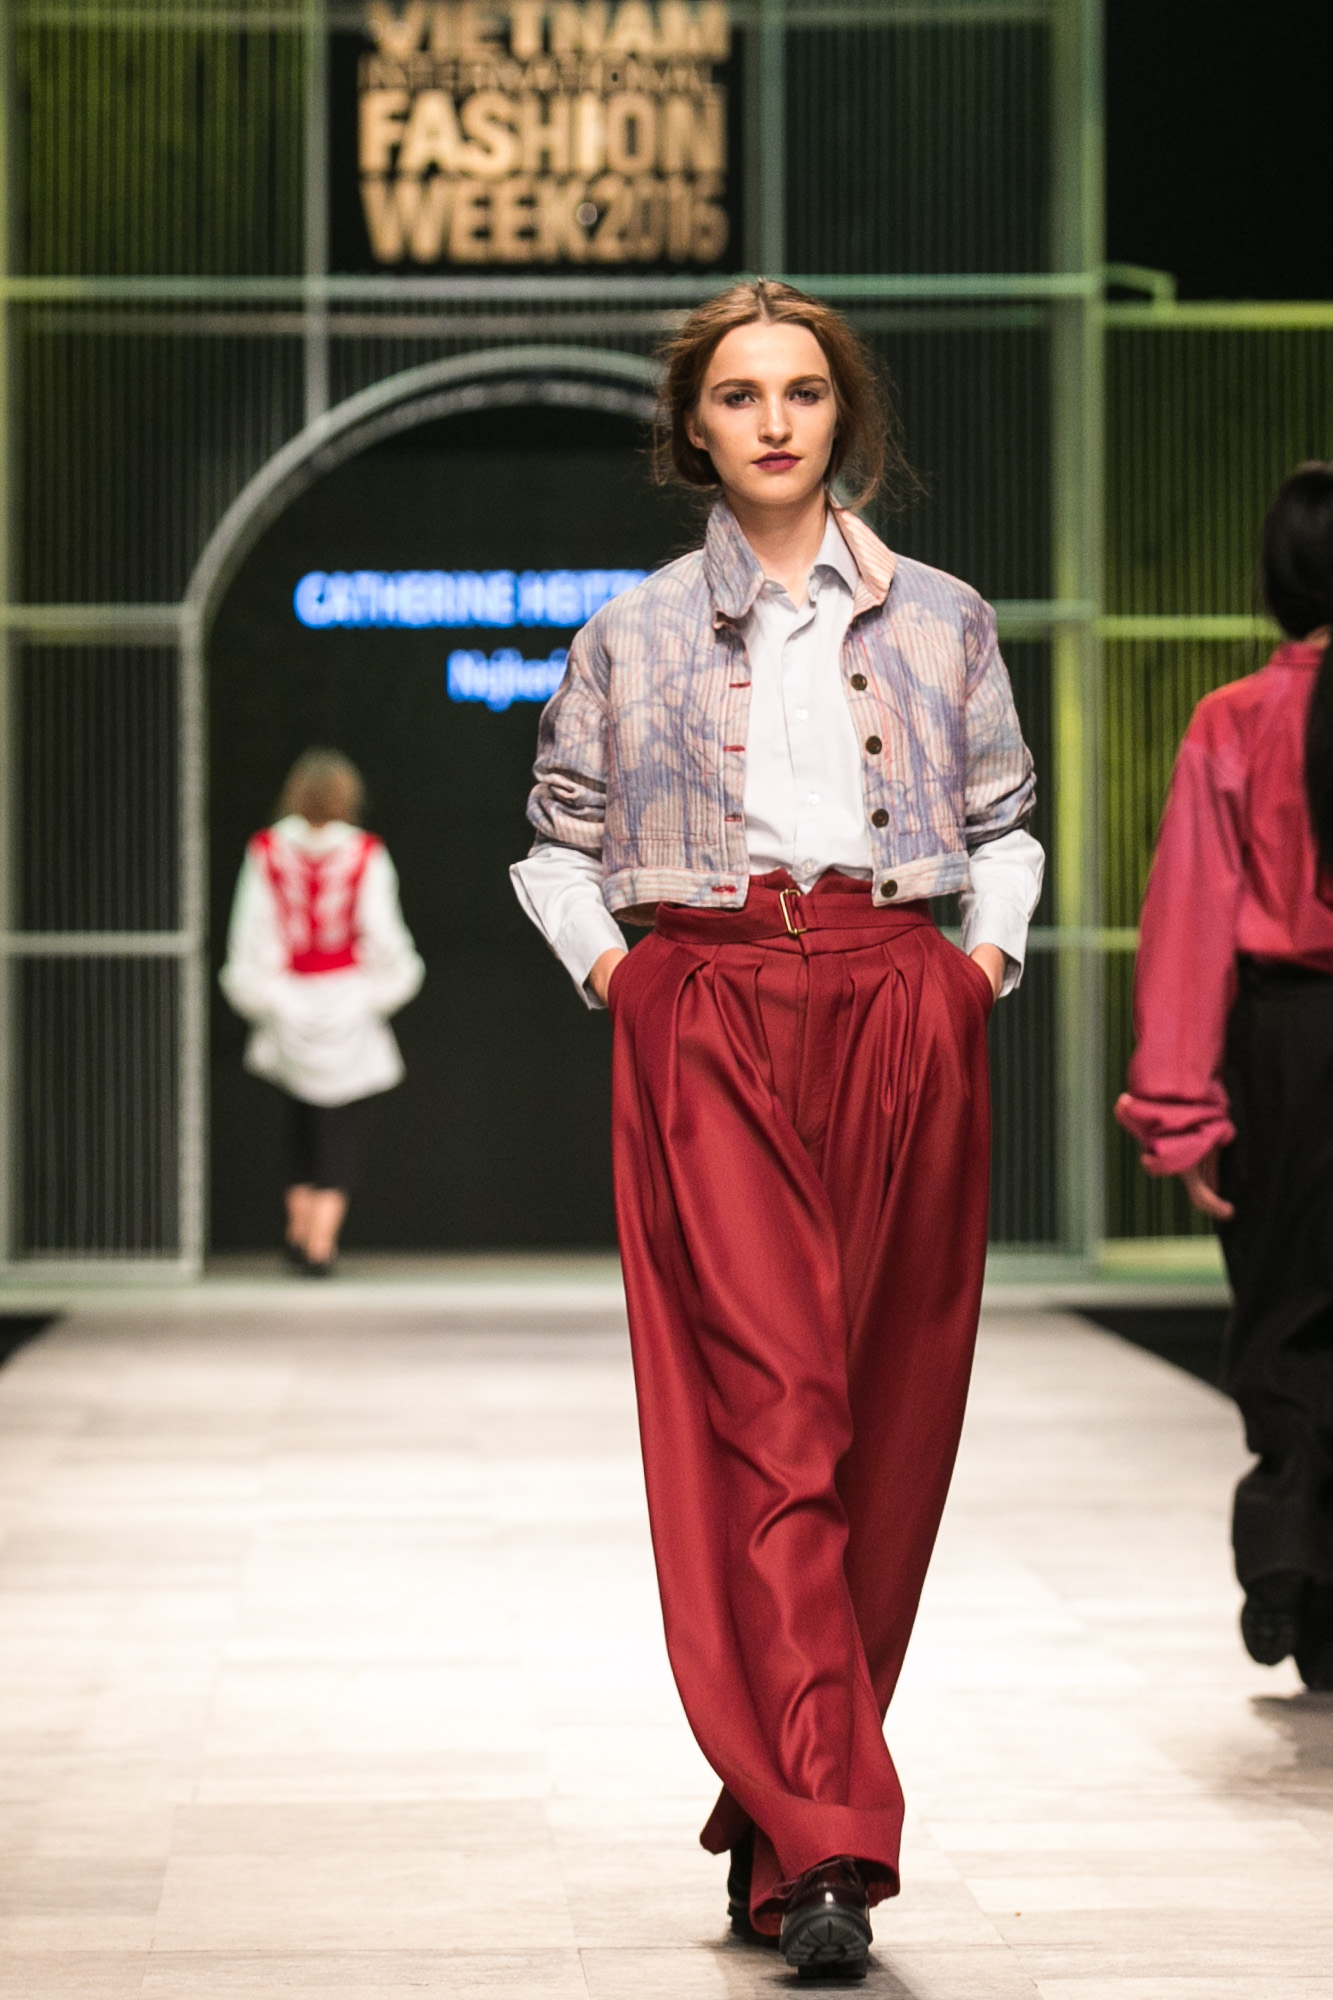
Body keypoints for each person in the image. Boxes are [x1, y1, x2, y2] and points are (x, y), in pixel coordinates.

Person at [511, 279, 1044, 1977]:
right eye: (737, 394)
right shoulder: (631, 634)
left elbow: (1006, 824)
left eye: (800, 391)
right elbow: (553, 841)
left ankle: (779, 1823)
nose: (771, 420)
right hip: (711, 1001)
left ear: (839, 414)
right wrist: (623, 978)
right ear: (693, 426)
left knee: (882, 1426)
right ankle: (833, 1843)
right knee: (778, 1410)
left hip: (898, 996)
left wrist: (975, 971)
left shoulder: (945, 619)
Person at [1117, 463, 1333, 1691]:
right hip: (1287, 1034)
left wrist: (1182, 1114)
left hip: (1284, 1049)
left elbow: (1190, 924)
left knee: (1285, 1312)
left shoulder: (1236, 719)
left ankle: (1287, 1545)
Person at [220, 748, 423, 1274]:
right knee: (342, 1127)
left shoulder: (266, 850)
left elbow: (252, 932)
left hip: (286, 1000)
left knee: (300, 1123)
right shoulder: (365, 853)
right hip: (348, 1002)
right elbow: (383, 934)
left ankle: (299, 1232)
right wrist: (378, 990)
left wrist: (264, 994)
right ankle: (320, 1243)